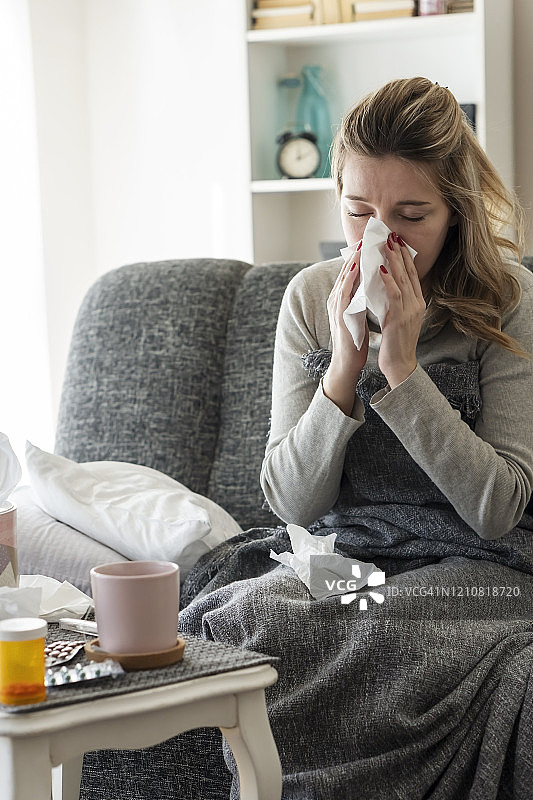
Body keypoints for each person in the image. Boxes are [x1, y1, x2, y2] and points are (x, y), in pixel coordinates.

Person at [179, 77, 533, 800]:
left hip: (477, 568)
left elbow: (497, 507)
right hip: (348, 557)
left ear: (455, 213)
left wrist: (399, 368)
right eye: (358, 213)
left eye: (411, 215)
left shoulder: (509, 301)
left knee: (381, 624)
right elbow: (291, 504)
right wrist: (344, 368)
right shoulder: (310, 299)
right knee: (248, 618)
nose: (380, 239)